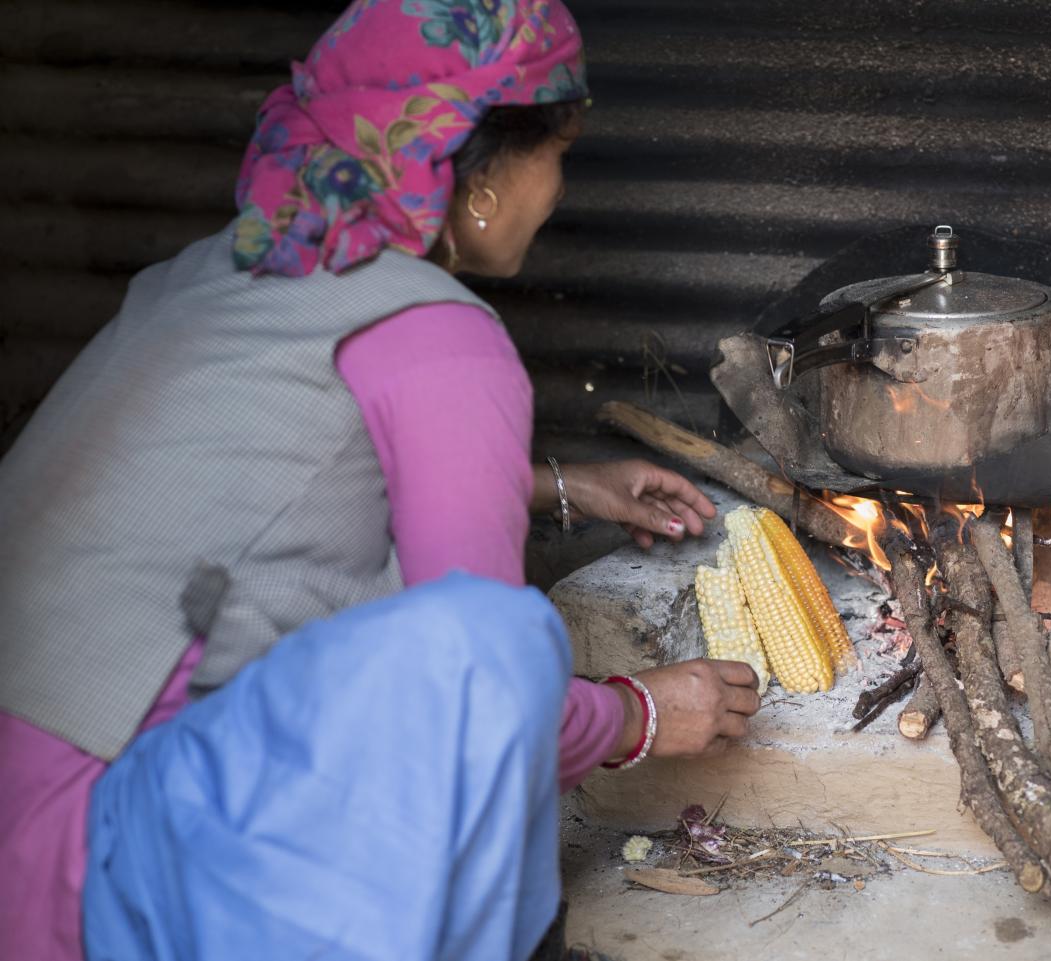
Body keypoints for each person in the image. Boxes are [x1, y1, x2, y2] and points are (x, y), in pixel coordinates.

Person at [0, 2, 762, 959]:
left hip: (23, 806)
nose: (560, 191)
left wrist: (564, 485)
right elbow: (482, 694)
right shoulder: (444, 334)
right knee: (500, 636)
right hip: (111, 862)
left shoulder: (214, 272)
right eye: (559, 154)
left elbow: (273, 492)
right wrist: (640, 713)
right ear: (480, 176)